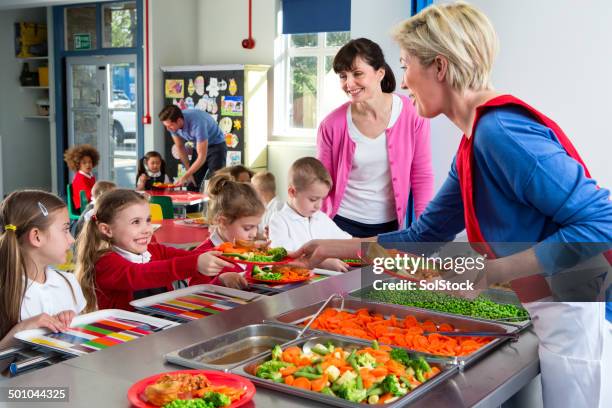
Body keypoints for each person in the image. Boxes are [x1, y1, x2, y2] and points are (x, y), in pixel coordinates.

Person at [292, 3, 612, 407]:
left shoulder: (501, 133)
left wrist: (497, 269)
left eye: (406, 65)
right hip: (545, 307)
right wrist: (330, 245)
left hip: (573, 311)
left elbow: (603, 222)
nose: (403, 82)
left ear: (439, 67)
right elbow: (423, 235)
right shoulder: (473, 141)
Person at [317, 38, 434, 238]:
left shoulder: (411, 113)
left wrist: (426, 234)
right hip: (339, 225)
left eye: (357, 73)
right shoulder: (331, 125)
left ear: (380, 73)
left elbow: (421, 176)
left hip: (389, 227)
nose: (349, 83)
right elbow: (319, 185)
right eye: (343, 76)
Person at [74, 189, 235, 311]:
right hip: (125, 341)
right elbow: (140, 274)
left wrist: (231, 253)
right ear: (107, 230)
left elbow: (193, 255)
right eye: (136, 222)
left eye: (148, 220)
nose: (147, 229)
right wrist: (195, 264)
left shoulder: (153, 251)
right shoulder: (105, 262)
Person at [0, 190, 86, 351]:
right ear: (36, 237)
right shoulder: (4, 290)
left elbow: (83, 344)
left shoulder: (69, 283)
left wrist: (72, 324)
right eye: (66, 229)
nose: (72, 239)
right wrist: (21, 330)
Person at [268, 157, 351, 272]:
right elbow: (282, 255)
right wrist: (322, 262)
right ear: (292, 192)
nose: (318, 205)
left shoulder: (320, 217)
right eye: (313, 199)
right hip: (297, 283)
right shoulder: (279, 220)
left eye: (322, 199)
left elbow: (346, 242)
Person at [192, 173, 265, 288]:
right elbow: (194, 296)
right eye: (248, 228)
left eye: (256, 226)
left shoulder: (250, 249)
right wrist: (220, 282)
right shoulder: (202, 255)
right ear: (222, 222)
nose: (254, 233)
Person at [159, 105, 227, 191]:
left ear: (179, 120)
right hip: (199, 144)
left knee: (216, 181)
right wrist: (188, 173)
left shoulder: (197, 123)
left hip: (216, 145)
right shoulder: (172, 128)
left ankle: (216, 204)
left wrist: (185, 175)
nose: (168, 128)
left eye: (170, 125)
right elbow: (180, 147)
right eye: (166, 126)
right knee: (192, 181)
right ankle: (191, 204)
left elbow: (202, 156)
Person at [64, 144, 100, 211]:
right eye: (84, 163)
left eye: (90, 162)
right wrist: (100, 195)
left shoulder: (90, 176)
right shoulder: (80, 178)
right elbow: (88, 195)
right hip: (82, 207)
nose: (88, 165)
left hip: (89, 203)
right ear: (78, 165)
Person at [251, 171, 283, 236]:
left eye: (253, 189)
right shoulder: (264, 207)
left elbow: (273, 236)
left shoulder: (278, 209)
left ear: (258, 190)